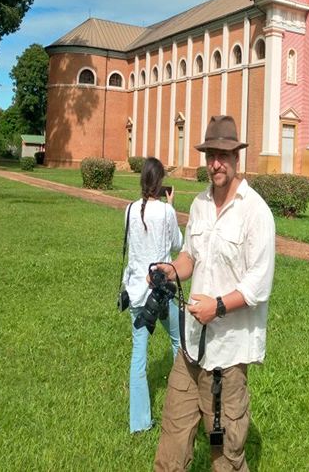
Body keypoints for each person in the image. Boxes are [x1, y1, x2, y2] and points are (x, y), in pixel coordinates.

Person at [153, 115, 275, 471]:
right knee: (172, 439)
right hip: (191, 347)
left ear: (237, 159)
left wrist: (218, 307)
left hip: (227, 356)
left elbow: (259, 285)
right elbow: (191, 255)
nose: (216, 163)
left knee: (225, 452)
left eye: (223, 155)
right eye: (211, 155)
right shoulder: (200, 204)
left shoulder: (256, 212)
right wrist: (172, 270)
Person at [123, 157, 183, 434]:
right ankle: (182, 406)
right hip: (161, 292)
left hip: (136, 292)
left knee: (139, 356)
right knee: (179, 344)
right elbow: (177, 244)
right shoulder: (166, 212)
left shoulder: (129, 210)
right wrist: (172, 208)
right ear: (160, 183)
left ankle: (139, 422)